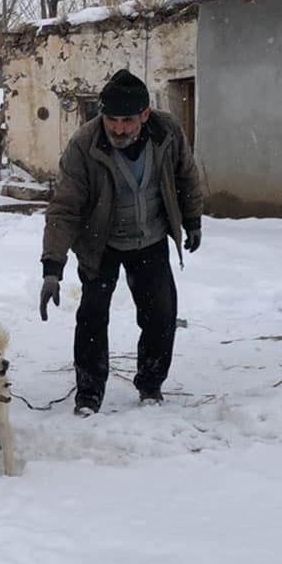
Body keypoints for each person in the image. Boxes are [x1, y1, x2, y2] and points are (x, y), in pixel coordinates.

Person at [38, 69, 203, 416]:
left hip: (151, 237)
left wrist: (192, 221)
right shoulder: (84, 145)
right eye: (111, 119)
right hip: (101, 244)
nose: (118, 128)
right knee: (92, 317)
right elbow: (64, 207)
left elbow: (186, 175)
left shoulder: (167, 131)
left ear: (144, 114)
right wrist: (52, 267)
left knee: (161, 315)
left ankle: (150, 384)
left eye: (127, 120)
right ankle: (88, 394)